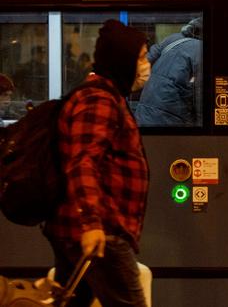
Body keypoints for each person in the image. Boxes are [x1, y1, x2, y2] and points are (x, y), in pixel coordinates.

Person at [44, 19, 151, 307]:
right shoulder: (98, 100)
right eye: (141, 57)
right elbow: (83, 162)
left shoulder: (106, 96)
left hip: (85, 229)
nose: (146, 64)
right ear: (122, 60)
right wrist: (92, 223)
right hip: (102, 231)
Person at [135, 17, 202, 127]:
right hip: (172, 119)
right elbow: (201, 96)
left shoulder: (172, 39)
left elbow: (145, 61)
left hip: (144, 111)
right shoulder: (202, 50)